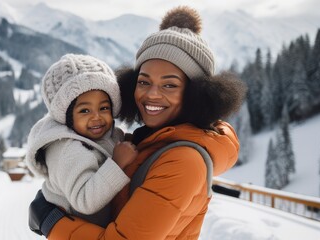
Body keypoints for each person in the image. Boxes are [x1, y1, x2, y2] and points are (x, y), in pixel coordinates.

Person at [28, 6, 247, 239]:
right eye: (144, 82)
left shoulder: (183, 162)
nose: (152, 94)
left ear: (196, 93)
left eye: (169, 85)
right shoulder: (151, 141)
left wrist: (51, 222)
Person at [25, 54, 137, 227]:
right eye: (85, 111)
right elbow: (85, 200)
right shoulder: (67, 149)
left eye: (104, 108)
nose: (97, 117)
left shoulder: (100, 135)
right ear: (67, 117)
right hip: (76, 229)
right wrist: (117, 163)